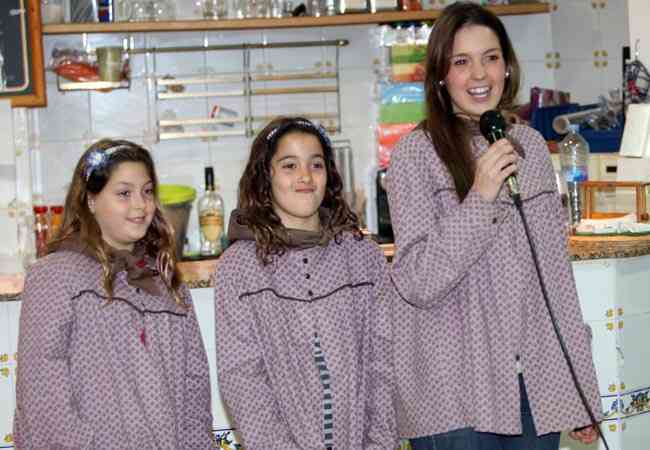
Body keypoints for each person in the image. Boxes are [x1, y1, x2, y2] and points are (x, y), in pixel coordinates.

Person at [385, 2, 602, 449]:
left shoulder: (529, 147)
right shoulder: (414, 155)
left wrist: (578, 385)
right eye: (461, 62)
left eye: (490, 57)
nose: (479, 74)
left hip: (534, 386)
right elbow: (418, 281)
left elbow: (555, 278)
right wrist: (481, 196)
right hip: (452, 394)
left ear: (507, 66)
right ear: (441, 75)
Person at [13, 139, 214, 449]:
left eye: (147, 191)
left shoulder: (166, 281)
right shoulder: (55, 276)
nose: (140, 205)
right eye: (124, 193)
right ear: (91, 200)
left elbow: (194, 387)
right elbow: (44, 401)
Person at [213, 117, 397, 449]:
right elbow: (242, 378)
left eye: (316, 164)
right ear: (265, 176)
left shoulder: (363, 257)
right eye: (289, 165)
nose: (305, 177)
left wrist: (378, 444)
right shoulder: (239, 267)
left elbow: (384, 362)